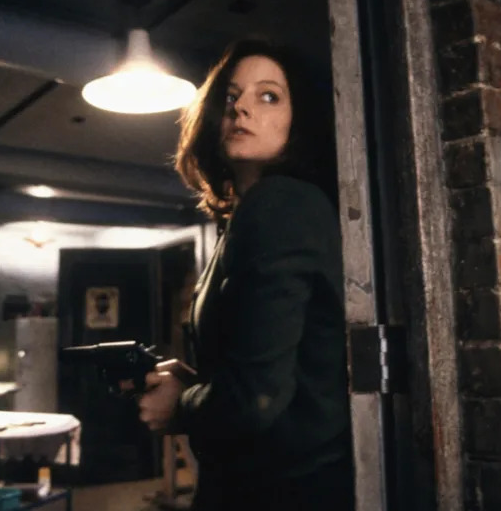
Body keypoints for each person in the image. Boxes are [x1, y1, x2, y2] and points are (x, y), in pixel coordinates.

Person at [137, 39, 353, 510]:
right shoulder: (246, 217)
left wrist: (181, 406)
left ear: (299, 119)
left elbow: (258, 398)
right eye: (231, 97)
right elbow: (269, 369)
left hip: (284, 491)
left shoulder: (280, 203)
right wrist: (195, 381)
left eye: (268, 96)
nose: (241, 109)